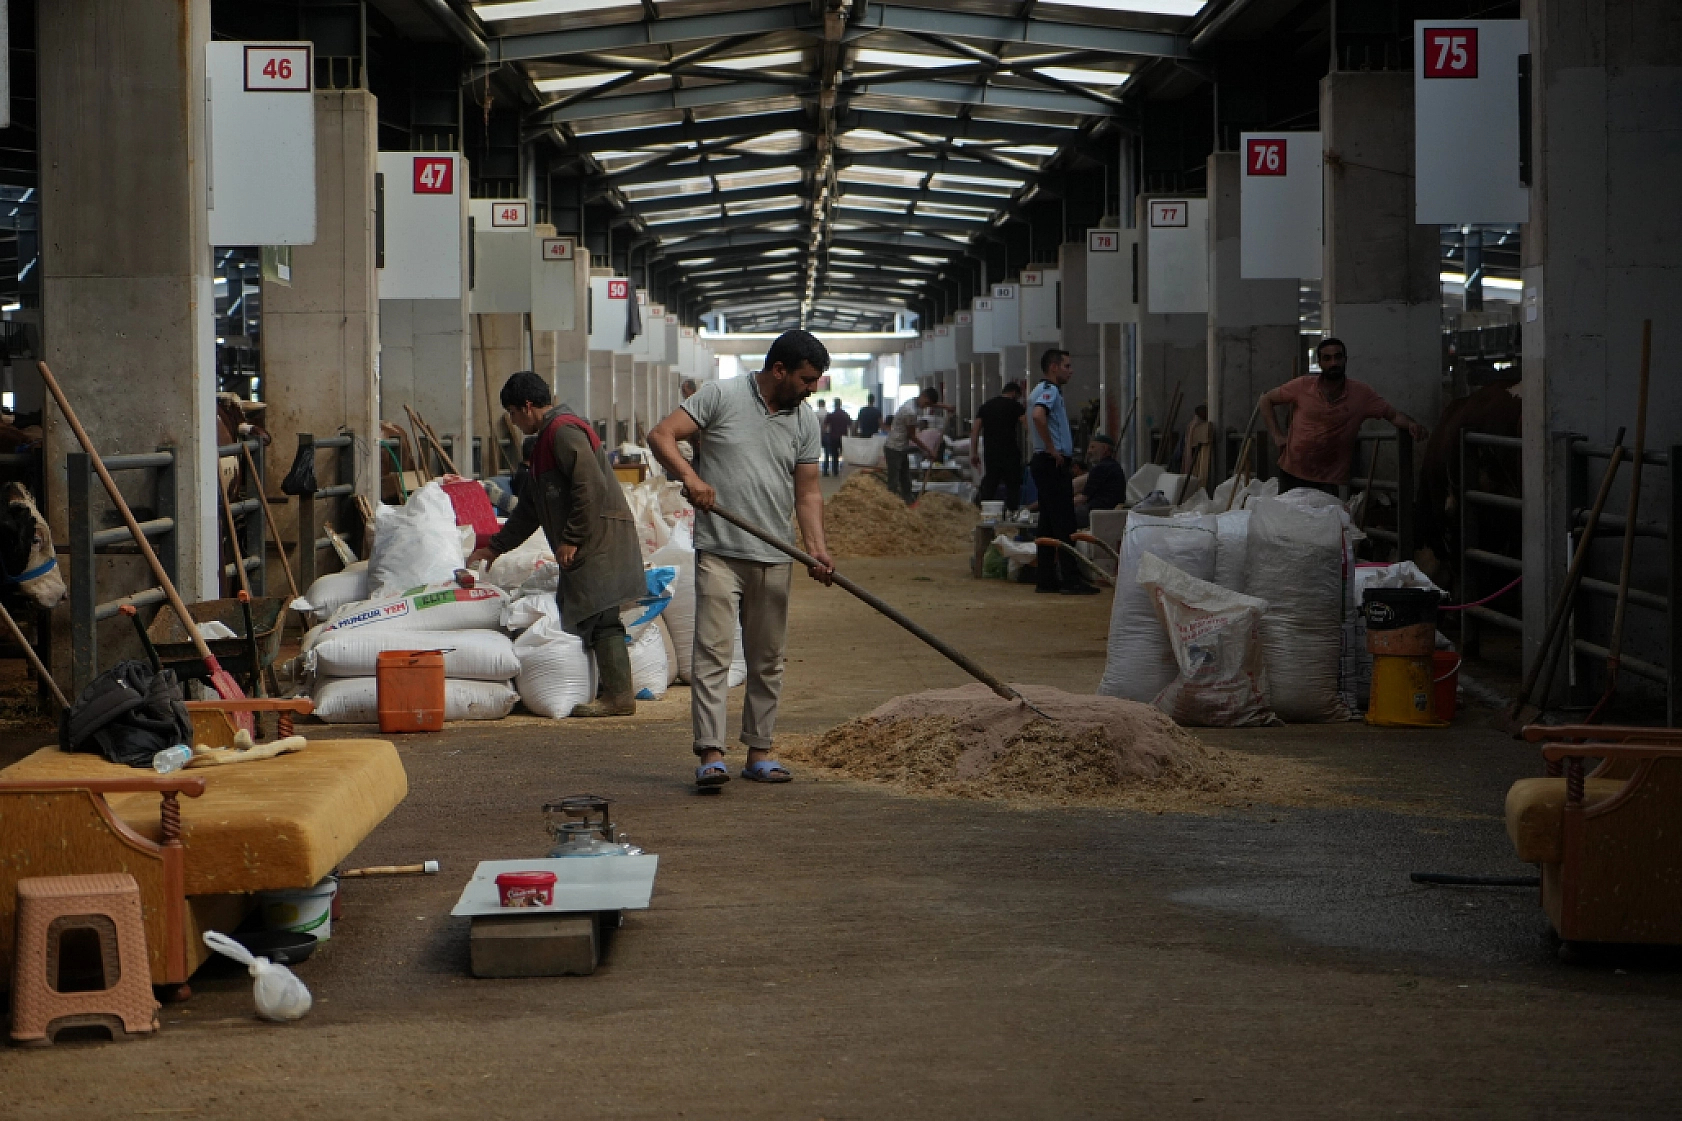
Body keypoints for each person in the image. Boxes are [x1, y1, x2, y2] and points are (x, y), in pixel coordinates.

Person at [647, 330, 835, 788]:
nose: (812, 389)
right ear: (779, 371)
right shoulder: (721, 396)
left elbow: (807, 491)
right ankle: (711, 753)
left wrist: (816, 547)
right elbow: (661, 435)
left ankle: (759, 751)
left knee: (768, 657)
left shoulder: (804, 420)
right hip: (720, 551)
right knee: (713, 653)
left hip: (775, 553)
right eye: (807, 379)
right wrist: (690, 478)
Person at [467, 372, 645, 716]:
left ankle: (620, 698)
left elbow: (590, 486)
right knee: (592, 613)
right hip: (589, 540)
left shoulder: (562, 432)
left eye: (514, 415)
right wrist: (495, 547)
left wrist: (572, 537)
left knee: (601, 614)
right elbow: (531, 508)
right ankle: (612, 691)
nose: (515, 424)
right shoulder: (547, 441)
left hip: (597, 539)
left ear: (527, 407)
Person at [1258, 337, 1429, 495]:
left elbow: (1393, 415)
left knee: (1325, 525)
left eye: (1338, 357)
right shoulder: (1302, 386)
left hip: (1328, 479)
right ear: (1320, 363)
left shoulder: (1361, 394)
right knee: (1288, 524)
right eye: (1327, 358)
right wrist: (1277, 436)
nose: (1334, 363)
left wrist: (1411, 425)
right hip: (1292, 471)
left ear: (1345, 359)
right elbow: (1266, 400)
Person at [1028, 350, 1097, 595]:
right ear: (1054, 367)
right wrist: (1052, 448)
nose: (1071, 370)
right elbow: (1038, 416)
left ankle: (1045, 577)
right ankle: (1071, 579)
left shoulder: (1039, 390)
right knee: (1065, 522)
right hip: (1052, 463)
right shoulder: (1050, 391)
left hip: (1044, 462)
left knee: (1047, 523)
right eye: (1067, 366)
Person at [970, 381, 1025, 510]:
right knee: (1013, 487)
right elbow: (1027, 425)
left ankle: (983, 513)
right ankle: (1012, 516)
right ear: (1014, 393)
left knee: (990, 484)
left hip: (991, 453)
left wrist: (974, 453)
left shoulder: (985, 406)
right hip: (1011, 453)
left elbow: (975, 431)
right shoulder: (1016, 406)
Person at [883, 387, 936, 504]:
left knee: (906, 479)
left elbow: (932, 403)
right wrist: (928, 450)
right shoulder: (910, 411)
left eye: (929, 405)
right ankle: (890, 506)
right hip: (894, 448)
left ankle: (908, 503)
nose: (926, 407)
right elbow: (912, 436)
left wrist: (946, 407)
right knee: (894, 481)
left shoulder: (913, 401)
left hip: (901, 448)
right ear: (923, 396)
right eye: (926, 404)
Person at [1073, 433, 1126, 528]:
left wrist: (1061, 504)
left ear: (1105, 448)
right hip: (1108, 512)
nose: (1089, 451)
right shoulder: (1114, 466)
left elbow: (1082, 499)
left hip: (1097, 513)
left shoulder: (1101, 468)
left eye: (1092, 447)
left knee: (1061, 515)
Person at [822, 396, 851, 477]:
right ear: (840, 404)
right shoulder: (845, 414)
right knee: (844, 454)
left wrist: (823, 434)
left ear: (834, 405)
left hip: (833, 437)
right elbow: (850, 425)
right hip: (843, 438)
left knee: (834, 455)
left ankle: (835, 471)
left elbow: (825, 425)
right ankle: (843, 469)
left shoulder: (831, 415)